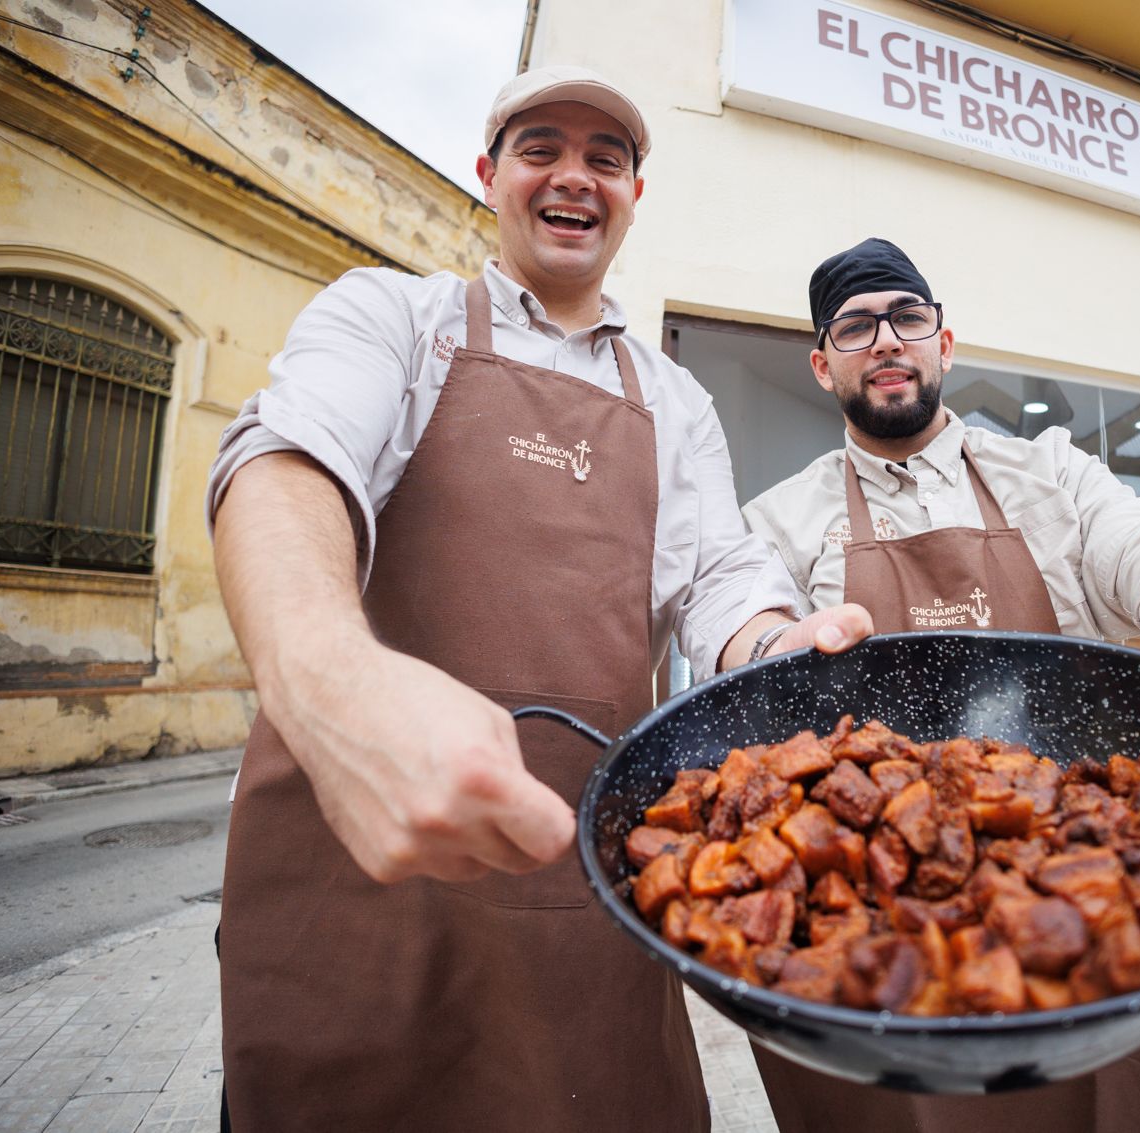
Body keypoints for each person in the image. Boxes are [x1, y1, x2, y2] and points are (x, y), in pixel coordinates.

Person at [206, 67, 870, 1131]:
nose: (574, 177)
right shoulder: (395, 317)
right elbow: (286, 464)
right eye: (541, 149)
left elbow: (721, 585)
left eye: (605, 158)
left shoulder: (673, 399)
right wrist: (326, 677)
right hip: (354, 879)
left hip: (577, 890)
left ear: (632, 195)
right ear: (490, 175)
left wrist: (780, 643)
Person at [739, 237, 1140, 1133]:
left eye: (907, 318)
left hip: (1076, 903)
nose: (885, 340)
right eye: (855, 327)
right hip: (863, 958)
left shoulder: (1049, 472)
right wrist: (775, 645)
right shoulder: (778, 518)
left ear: (944, 343)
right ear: (823, 364)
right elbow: (749, 633)